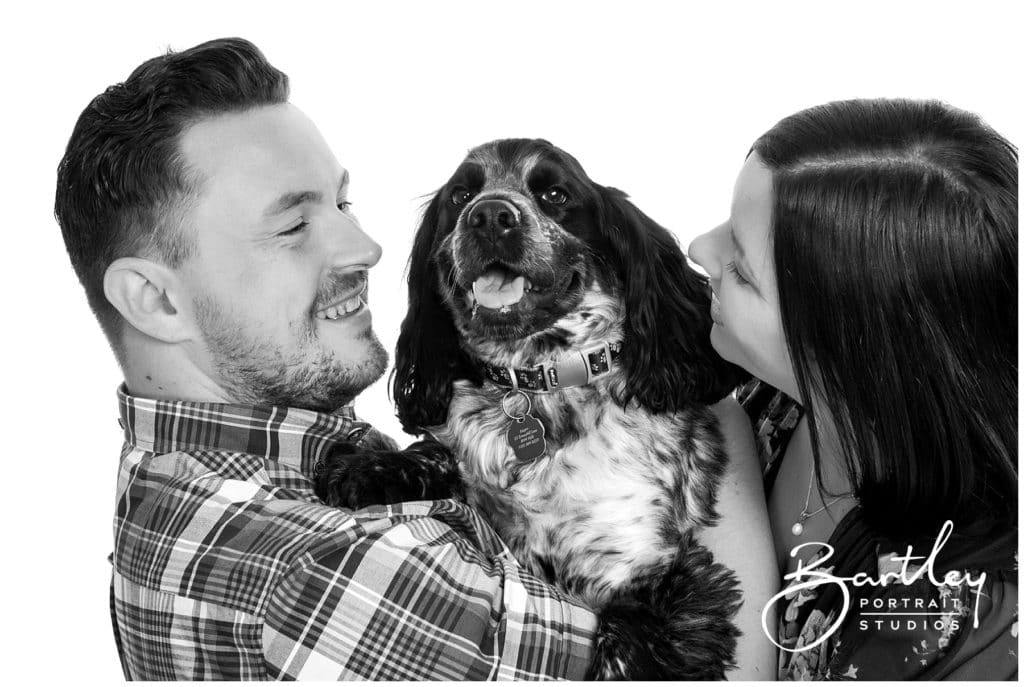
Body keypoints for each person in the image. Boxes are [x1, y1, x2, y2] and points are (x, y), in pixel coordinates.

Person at [55, 37, 775, 680]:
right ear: (154, 300)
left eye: (343, 203)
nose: (365, 249)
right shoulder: (331, 575)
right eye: (294, 223)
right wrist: (719, 427)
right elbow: (691, 661)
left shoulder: (185, 482)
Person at [688, 98, 1018, 680]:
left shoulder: (958, 620)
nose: (699, 249)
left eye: (741, 270)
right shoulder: (768, 401)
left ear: (851, 353)